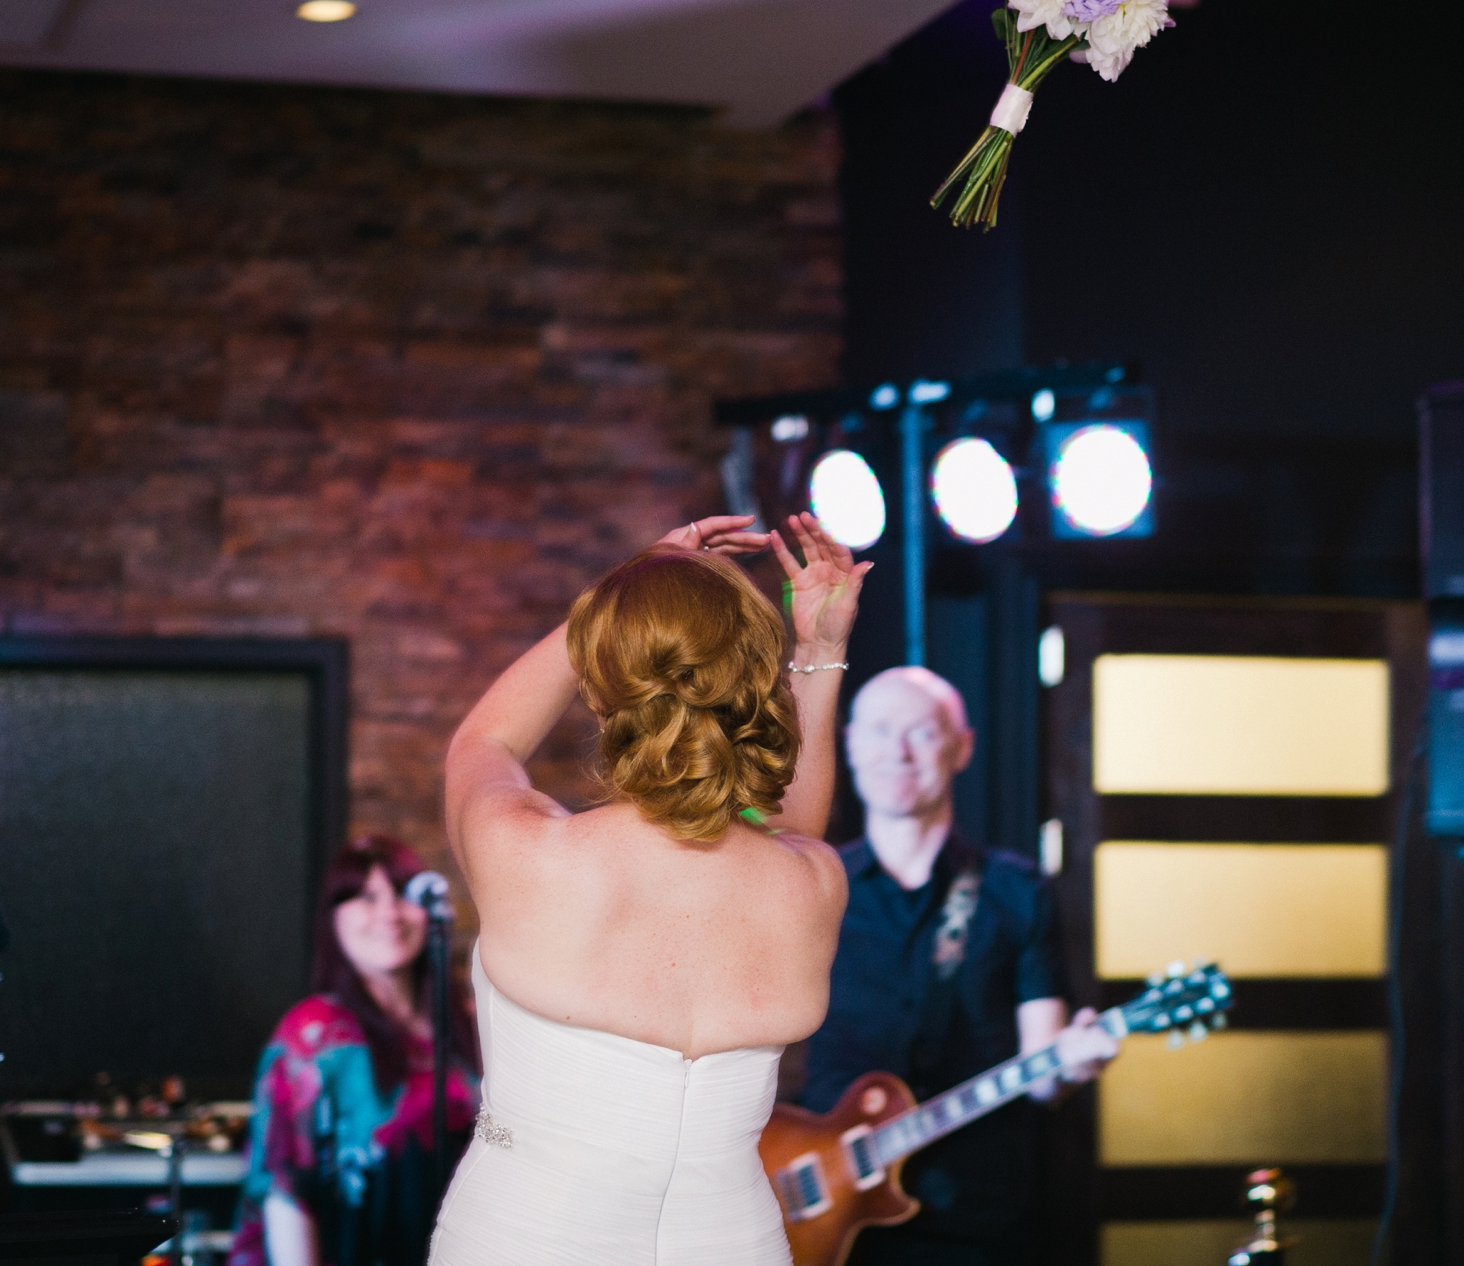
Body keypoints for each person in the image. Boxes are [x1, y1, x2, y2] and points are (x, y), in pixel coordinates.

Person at [429, 514, 868, 1266]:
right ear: (746, 692)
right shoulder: (813, 881)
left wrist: (619, 600)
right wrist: (820, 651)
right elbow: (788, 831)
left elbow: (483, 742)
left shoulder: (528, 854)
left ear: (606, 690)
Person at [798, 666, 1121, 1266]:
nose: (897, 752)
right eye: (878, 731)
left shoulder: (1016, 891)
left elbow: (1043, 1069)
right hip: (825, 1214)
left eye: (920, 732)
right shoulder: (813, 888)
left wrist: (1074, 1065)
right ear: (850, 745)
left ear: (962, 747)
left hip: (977, 1217)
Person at [229, 834, 481, 1266]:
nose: (389, 912)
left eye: (402, 893)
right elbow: (287, 1192)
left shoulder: (466, 1024)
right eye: (366, 896)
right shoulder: (315, 1035)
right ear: (333, 918)